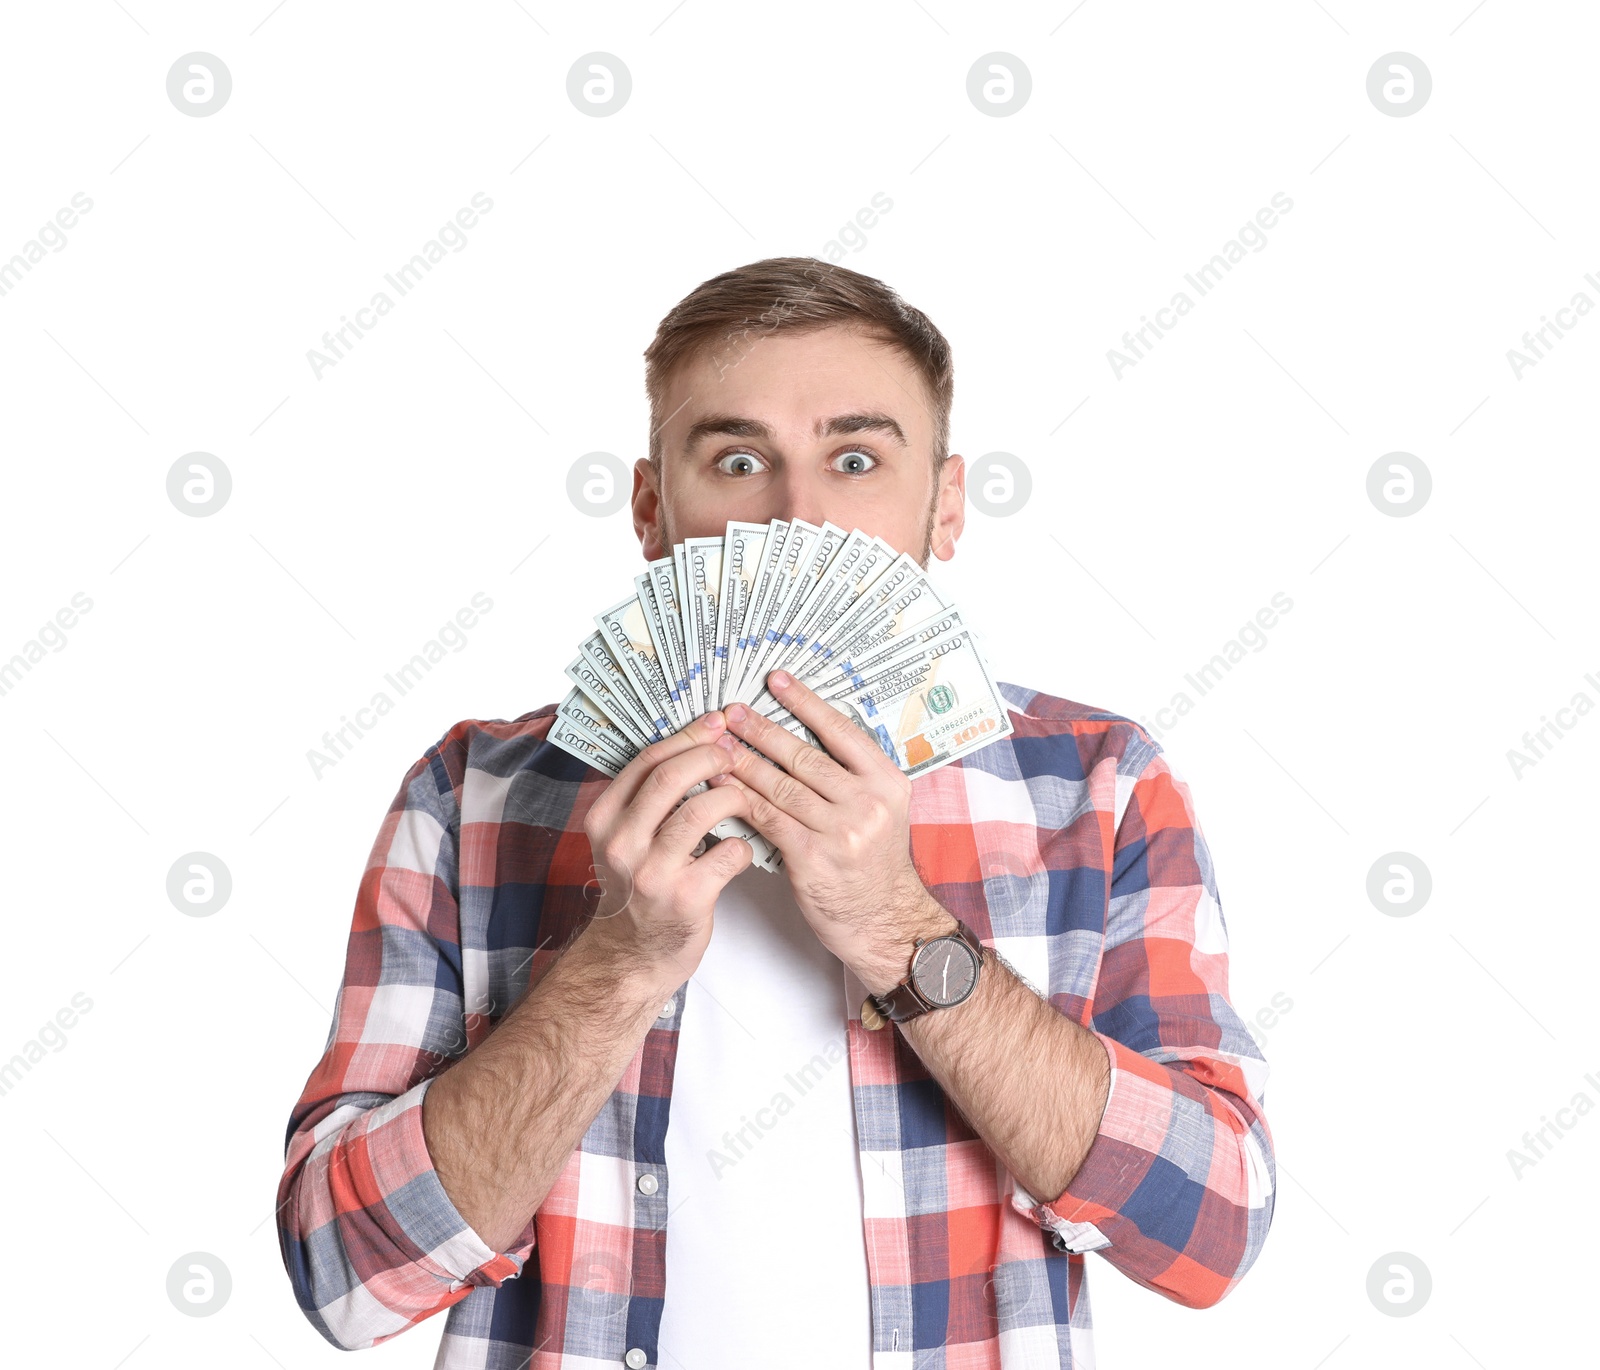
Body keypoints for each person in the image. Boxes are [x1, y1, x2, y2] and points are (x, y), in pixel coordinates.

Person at [274, 257, 1276, 1369]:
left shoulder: (1096, 786)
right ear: (654, 510)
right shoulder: (477, 795)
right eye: (738, 459)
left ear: (945, 504)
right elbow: (343, 1276)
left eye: (856, 458)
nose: (798, 516)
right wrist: (616, 963)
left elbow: (1210, 1234)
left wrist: (901, 930)